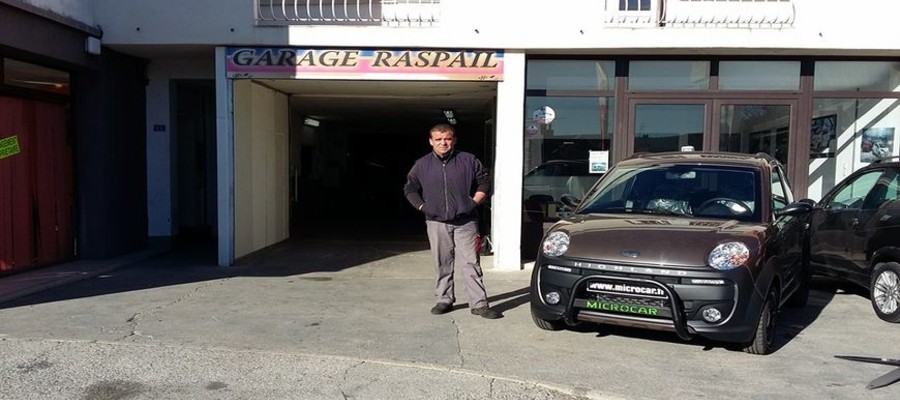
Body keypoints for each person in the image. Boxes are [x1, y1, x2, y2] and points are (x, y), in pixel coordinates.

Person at [403, 123, 501, 319]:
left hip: (466, 221)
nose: (443, 143)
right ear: (431, 141)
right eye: (438, 139)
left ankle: (479, 304)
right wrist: (423, 207)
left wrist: (474, 202)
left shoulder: (468, 160)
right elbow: (410, 189)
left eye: (447, 139)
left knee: (471, 262)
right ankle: (444, 299)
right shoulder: (421, 165)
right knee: (442, 262)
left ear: (454, 140)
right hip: (436, 222)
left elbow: (485, 181)